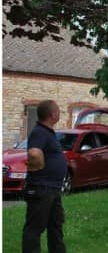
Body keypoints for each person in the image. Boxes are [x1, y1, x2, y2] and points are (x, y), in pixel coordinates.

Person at [22, 100, 67, 253]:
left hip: (52, 188)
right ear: (53, 114)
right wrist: (40, 165)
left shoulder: (47, 132)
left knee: (56, 227)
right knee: (34, 229)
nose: (60, 114)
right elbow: (34, 153)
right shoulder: (39, 132)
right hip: (42, 188)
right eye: (59, 111)